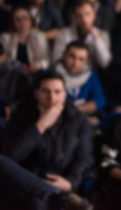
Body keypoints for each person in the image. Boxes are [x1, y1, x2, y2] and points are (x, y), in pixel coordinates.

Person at [1, 71, 93, 210]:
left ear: (64, 95)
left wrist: (71, 183)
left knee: (39, 203)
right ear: (36, 94)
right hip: (27, 182)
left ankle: (53, 194)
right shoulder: (21, 116)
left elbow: (85, 159)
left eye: (57, 92)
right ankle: (53, 194)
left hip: (62, 181)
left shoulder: (79, 120)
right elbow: (10, 156)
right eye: (46, 92)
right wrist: (40, 125)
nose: (52, 98)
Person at [53, 41, 107, 117]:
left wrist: (75, 110)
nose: (75, 63)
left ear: (86, 61)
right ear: (64, 54)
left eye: (81, 59)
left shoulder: (91, 75)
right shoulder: (52, 74)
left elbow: (100, 100)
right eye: (72, 56)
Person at [53, 1, 112, 69]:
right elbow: (57, 58)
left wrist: (97, 39)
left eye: (87, 14)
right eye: (79, 15)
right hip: (66, 71)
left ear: (94, 15)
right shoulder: (63, 33)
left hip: (90, 73)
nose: (84, 19)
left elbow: (105, 62)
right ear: (74, 17)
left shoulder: (103, 35)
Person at [0, 6, 50, 75]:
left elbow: (47, 60)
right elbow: (2, 60)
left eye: (25, 18)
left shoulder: (40, 36)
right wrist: (18, 67)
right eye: (17, 19)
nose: (22, 22)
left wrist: (40, 64)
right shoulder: (5, 38)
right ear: (12, 22)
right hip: (11, 74)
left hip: (35, 73)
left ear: (30, 19)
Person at [0, 42, 32, 121]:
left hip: (12, 116)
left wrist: (11, 108)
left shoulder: (16, 70)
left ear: (3, 57)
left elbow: (27, 97)